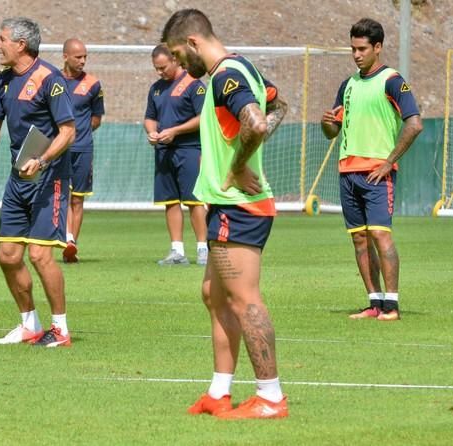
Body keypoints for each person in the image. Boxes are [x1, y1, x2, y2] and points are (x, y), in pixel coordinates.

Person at [162, 9, 289, 419]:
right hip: (226, 205)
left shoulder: (225, 75)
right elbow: (278, 106)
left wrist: (236, 167)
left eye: (181, 57)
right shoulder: (242, 66)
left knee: (243, 299)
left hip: (240, 205)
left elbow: (254, 122)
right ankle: (219, 392)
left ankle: (270, 398)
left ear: (194, 43)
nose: (181, 67)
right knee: (213, 296)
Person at [0, 17, 76, 347]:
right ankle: (29, 324)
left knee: (39, 255)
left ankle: (60, 329)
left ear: (21, 44)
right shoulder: (3, 81)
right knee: (7, 255)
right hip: (17, 178)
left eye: (2, 39)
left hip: (50, 178)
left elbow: (68, 131)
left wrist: (43, 159)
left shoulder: (51, 79)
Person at [321, 18, 423, 321]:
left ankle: (391, 306)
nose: (356, 54)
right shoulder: (347, 85)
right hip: (346, 171)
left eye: (362, 48)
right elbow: (332, 132)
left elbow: (414, 124)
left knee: (380, 235)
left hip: (376, 173)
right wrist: (327, 123)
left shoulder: (392, 80)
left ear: (377, 47)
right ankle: (374, 302)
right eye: (352, 48)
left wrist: (389, 161)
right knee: (359, 238)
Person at [144, 43, 208, 266]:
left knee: (194, 200)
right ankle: (177, 251)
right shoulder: (156, 89)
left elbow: (204, 118)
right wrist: (152, 132)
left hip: (190, 150)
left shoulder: (195, 85)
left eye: (163, 67)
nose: (160, 72)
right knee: (170, 202)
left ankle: (203, 249)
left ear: (175, 60)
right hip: (163, 152)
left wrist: (175, 131)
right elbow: (150, 117)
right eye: (156, 68)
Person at [60, 38, 105, 263]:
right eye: (78, 57)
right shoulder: (53, 81)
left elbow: (97, 118)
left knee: (78, 199)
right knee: (63, 196)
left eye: (85, 56)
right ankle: (67, 239)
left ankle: (71, 244)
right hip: (59, 149)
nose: (83, 61)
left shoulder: (94, 84)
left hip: (83, 149)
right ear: (65, 56)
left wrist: (81, 133)